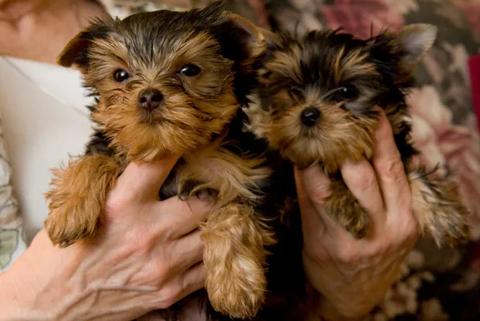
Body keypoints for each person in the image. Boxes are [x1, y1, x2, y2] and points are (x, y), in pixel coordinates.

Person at [0, 1, 419, 320]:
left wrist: (347, 292)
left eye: (189, 71)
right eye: (122, 77)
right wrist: (36, 303)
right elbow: (98, 161)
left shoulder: (217, 20)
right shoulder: (102, 155)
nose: (149, 95)